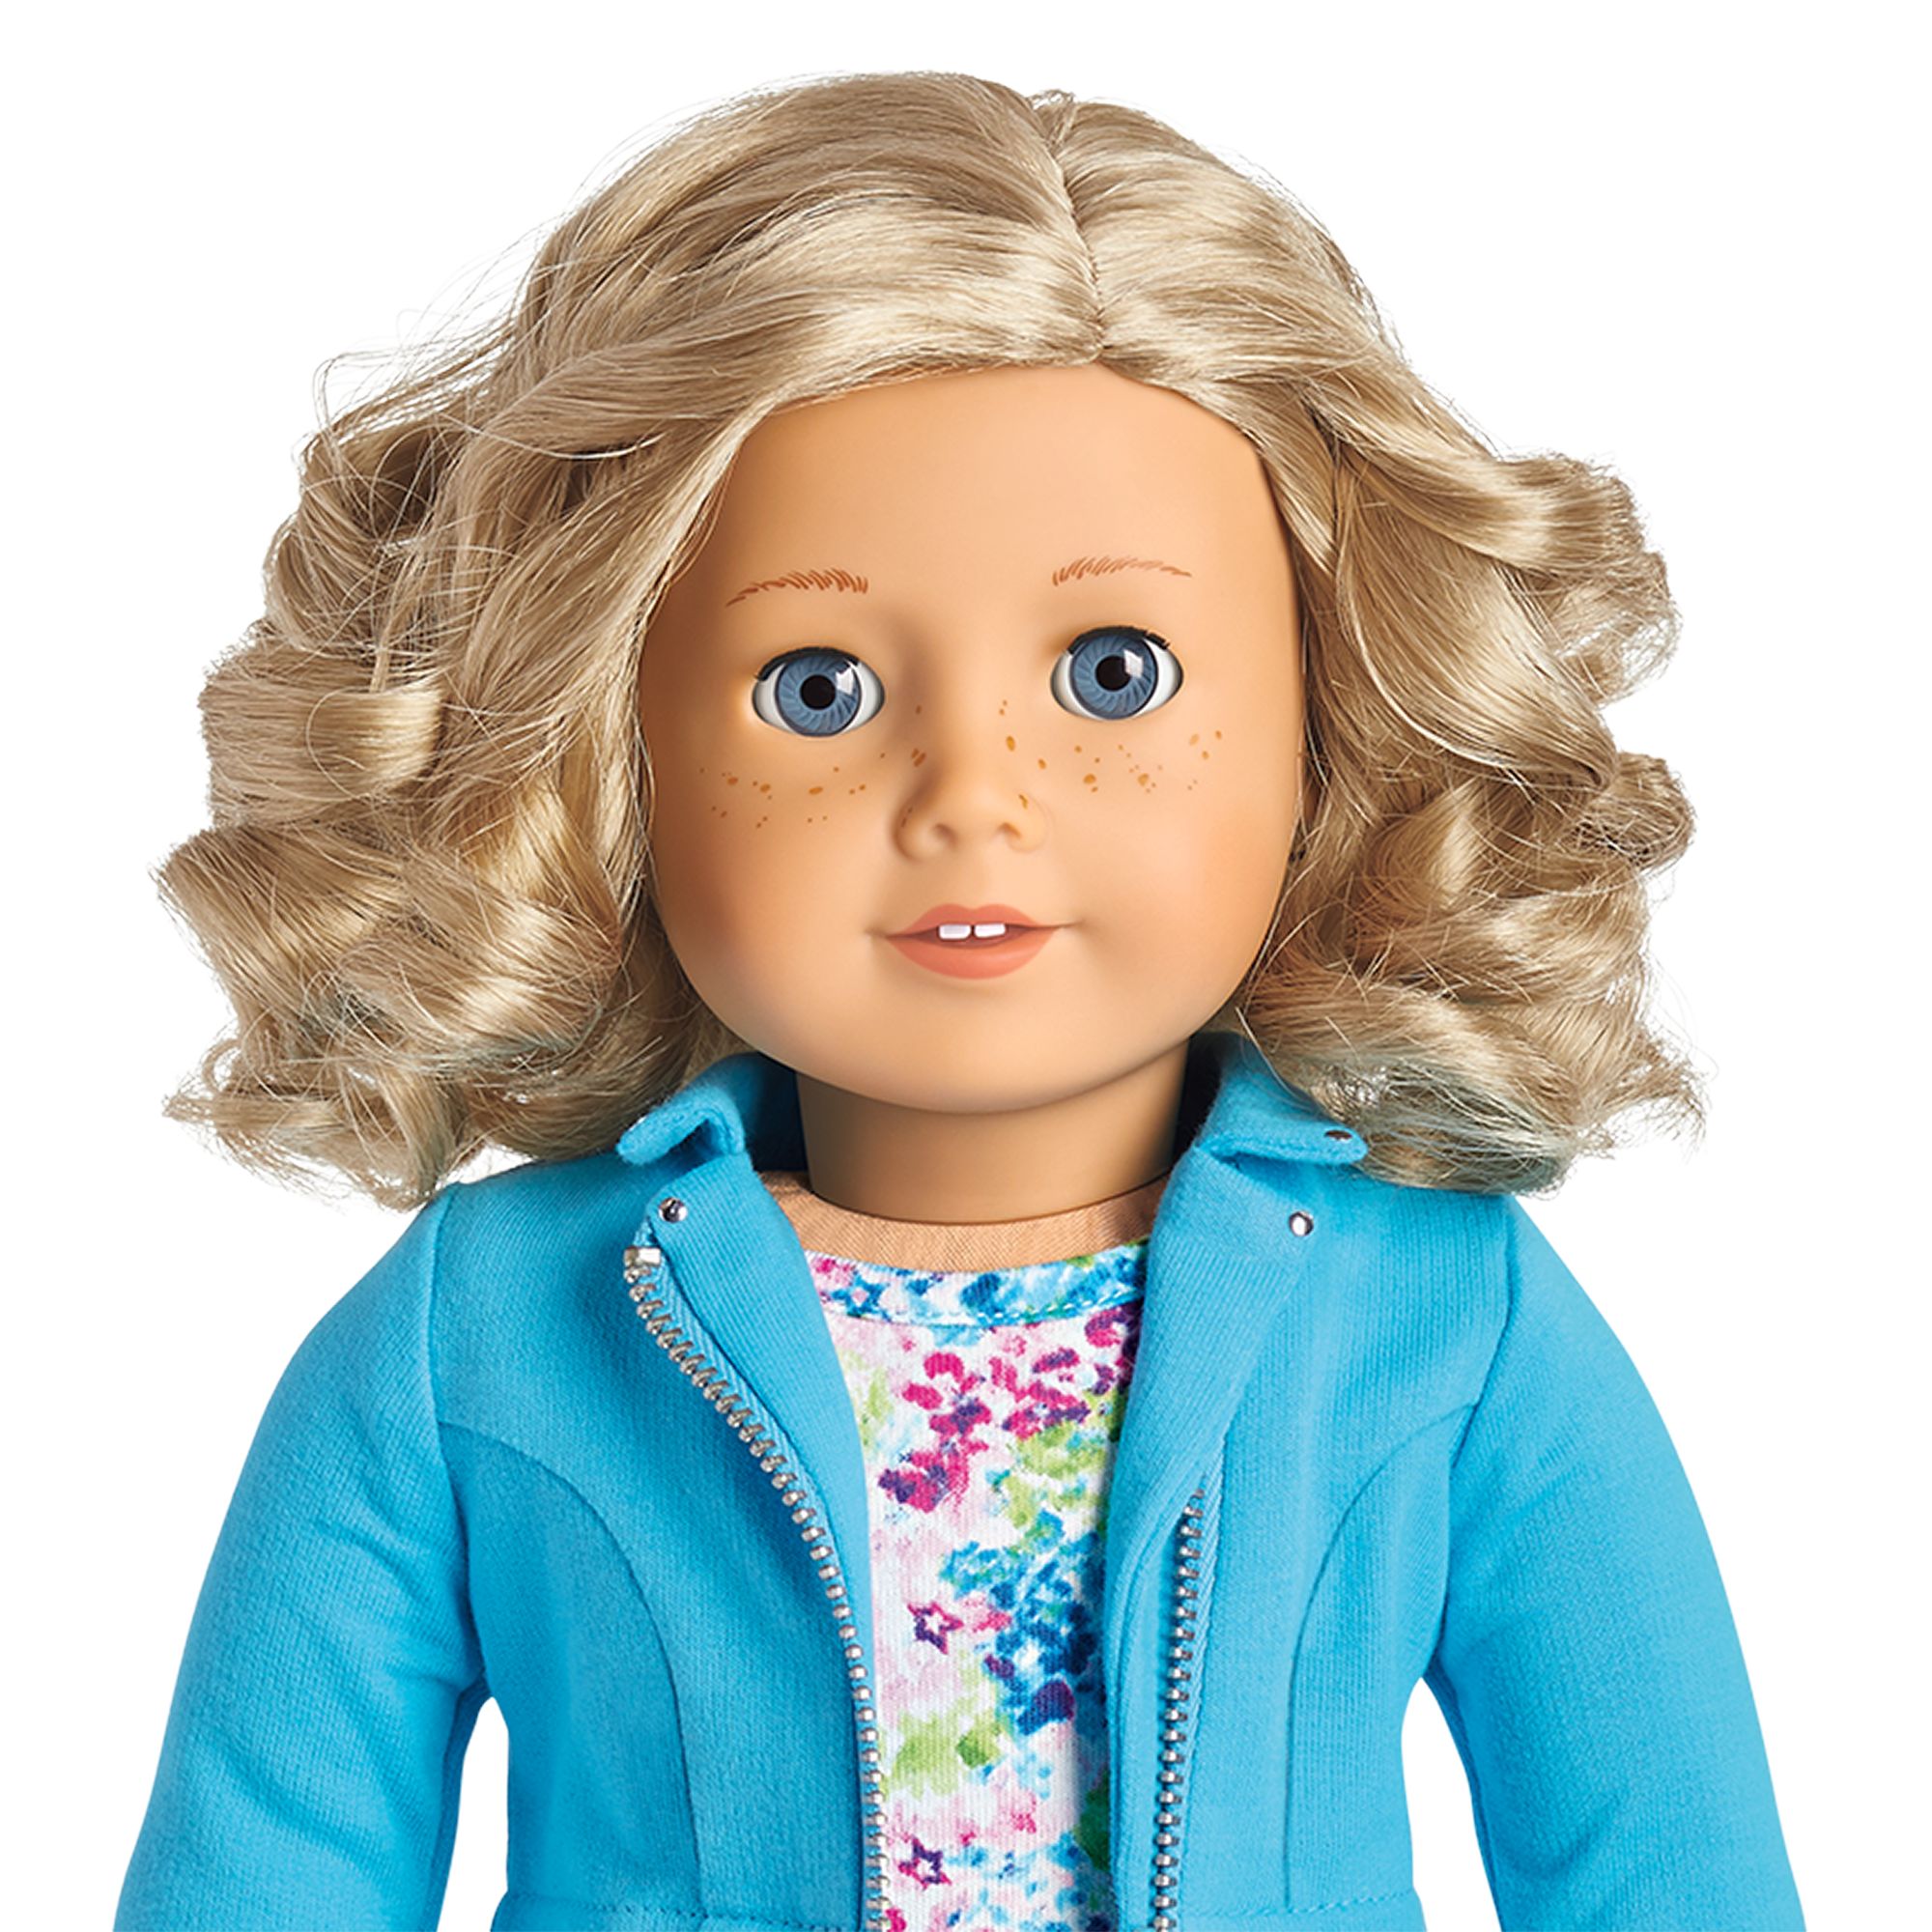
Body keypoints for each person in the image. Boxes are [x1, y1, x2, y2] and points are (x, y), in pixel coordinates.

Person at [115, 70, 1805, 1932]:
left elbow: (1669, 1865)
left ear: (1329, 723)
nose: (971, 796)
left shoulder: (1438, 1317)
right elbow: (264, 1872)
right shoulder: (486, 1336)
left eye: (1114, 671)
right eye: (817, 689)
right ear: (605, 750)